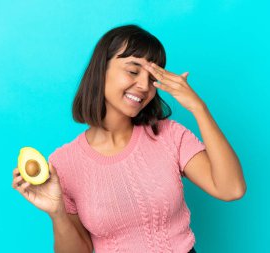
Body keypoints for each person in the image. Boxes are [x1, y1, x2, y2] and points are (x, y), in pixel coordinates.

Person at [12, 24, 246, 253]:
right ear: (100, 70)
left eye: (151, 76)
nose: (144, 85)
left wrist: (198, 107)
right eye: (133, 71)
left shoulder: (169, 135)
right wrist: (57, 212)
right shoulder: (63, 163)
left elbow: (231, 189)